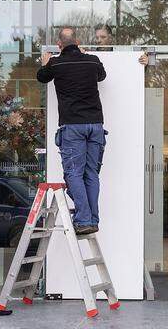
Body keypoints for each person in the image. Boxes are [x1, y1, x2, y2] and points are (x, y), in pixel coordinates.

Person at [37, 28, 107, 235]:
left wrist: (45, 62)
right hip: (95, 125)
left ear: (59, 45)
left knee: (74, 173)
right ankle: (92, 220)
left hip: (73, 126)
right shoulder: (92, 61)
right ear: (77, 42)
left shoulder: (56, 64)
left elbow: (42, 77)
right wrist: (85, 55)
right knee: (91, 173)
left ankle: (85, 219)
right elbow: (102, 76)